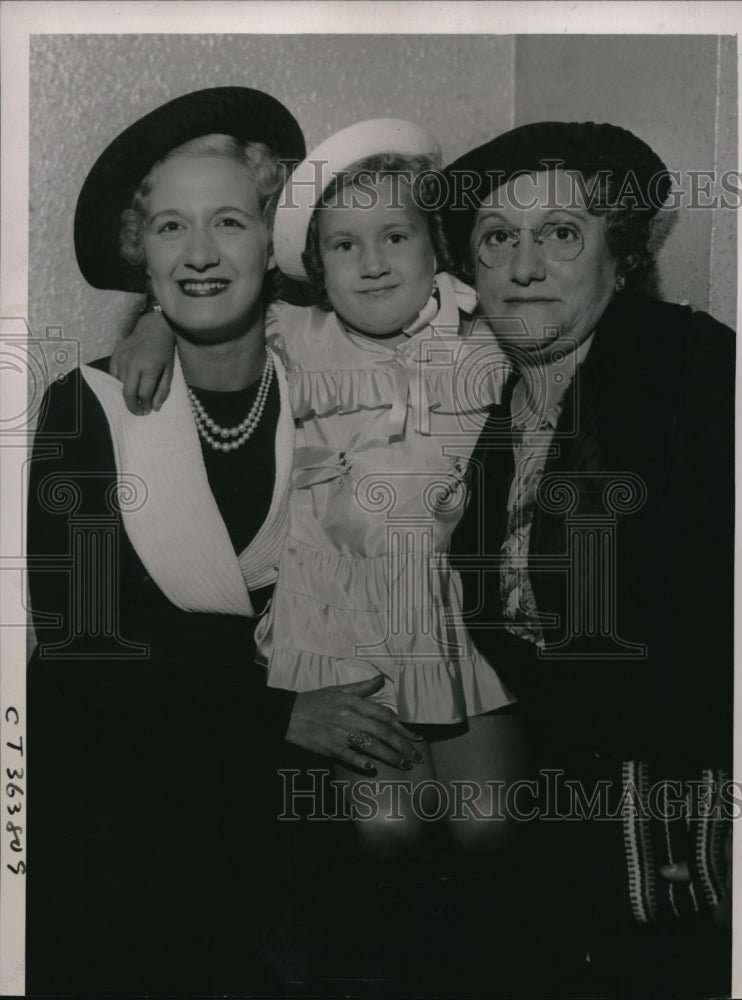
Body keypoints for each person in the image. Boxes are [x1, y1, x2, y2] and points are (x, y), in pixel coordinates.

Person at [26, 87, 424, 997]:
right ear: (142, 252)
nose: (200, 254)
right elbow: (80, 638)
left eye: (229, 223)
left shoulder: (338, 376)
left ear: (273, 241)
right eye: (170, 227)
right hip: (126, 768)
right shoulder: (82, 406)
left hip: (293, 767)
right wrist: (278, 712)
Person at [108, 118, 528, 861]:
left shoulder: (484, 339)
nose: (370, 263)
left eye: (395, 237)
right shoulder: (295, 334)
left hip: (443, 616)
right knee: (388, 831)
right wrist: (151, 328)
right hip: (336, 626)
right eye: (343, 245)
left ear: (437, 247)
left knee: (489, 824)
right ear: (315, 267)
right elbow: (203, 295)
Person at [446, 121, 735, 996]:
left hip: (678, 819)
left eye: (559, 236)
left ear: (623, 259)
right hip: (556, 804)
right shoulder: (491, 410)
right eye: (498, 240)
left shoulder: (691, 368)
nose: (523, 268)